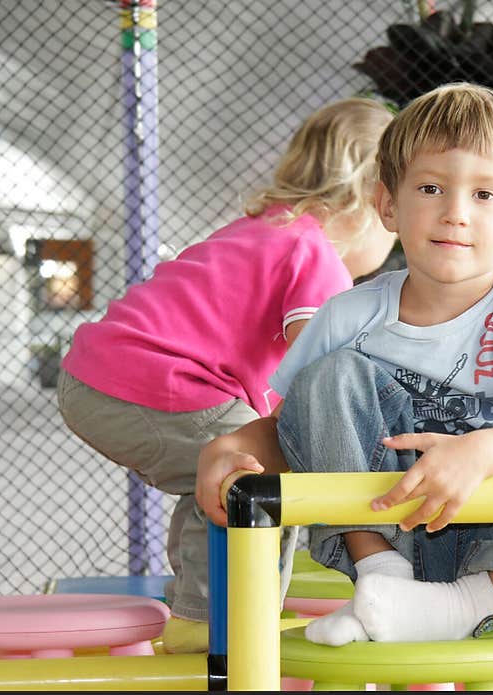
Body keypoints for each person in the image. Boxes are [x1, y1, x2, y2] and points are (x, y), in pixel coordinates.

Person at [196, 82, 493, 647]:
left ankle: (471, 602)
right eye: (432, 187)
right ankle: (382, 582)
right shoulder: (348, 314)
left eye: (484, 195)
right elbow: (293, 430)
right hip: (394, 526)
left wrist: (482, 452)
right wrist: (225, 450)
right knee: (329, 376)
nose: (455, 214)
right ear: (389, 206)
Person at [57, 97, 396, 653]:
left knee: (220, 474)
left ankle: (196, 608)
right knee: (264, 482)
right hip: (148, 378)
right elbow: (316, 376)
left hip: (99, 376)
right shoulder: (314, 254)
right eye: (395, 226)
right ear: (369, 200)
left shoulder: (264, 230)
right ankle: (217, 625)